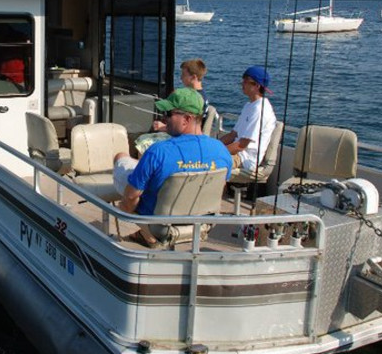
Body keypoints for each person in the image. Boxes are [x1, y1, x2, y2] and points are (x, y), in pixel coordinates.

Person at [113, 89, 232, 247]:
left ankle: (147, 234)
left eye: (168, 114)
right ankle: (146, 235)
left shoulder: (158, 151)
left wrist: (125, 210)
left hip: (159, 224)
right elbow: (219, 190)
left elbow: (130, 197)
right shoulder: (221, 151)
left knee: (121, 158)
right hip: (202, 222)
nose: (163, 118)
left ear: (186, 119)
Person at [219, 65, 277, 174]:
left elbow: (242, 145)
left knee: (207, 164)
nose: (242, 84)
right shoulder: (249, 106)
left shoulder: (260, 110)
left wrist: (216, 153)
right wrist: (213, 146)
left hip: (245, 159)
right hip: (236, 153)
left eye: (246, 81)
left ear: (257, 86)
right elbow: (232, 135)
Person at [151, 58, 209, 132]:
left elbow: (185, 128)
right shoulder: (201, 96)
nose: (181, 78)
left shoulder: (192, 99)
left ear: (193, 77)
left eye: (184, 74)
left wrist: (163, 127)